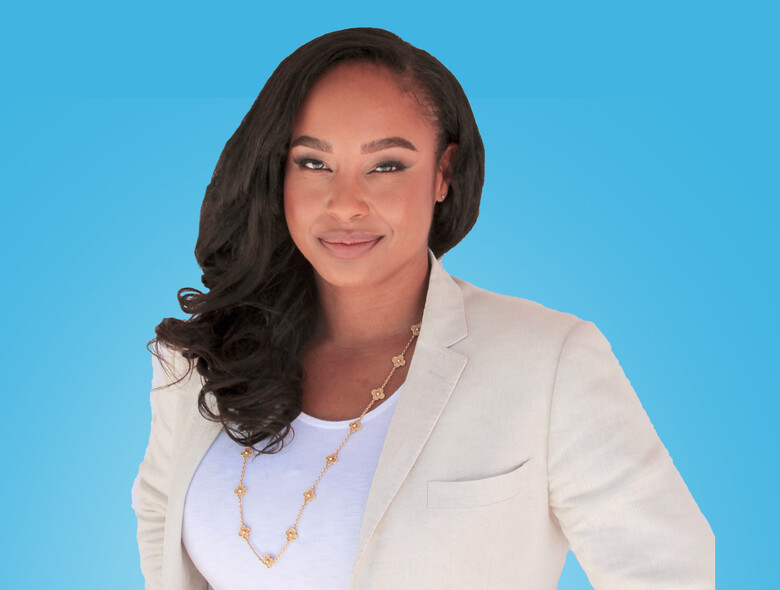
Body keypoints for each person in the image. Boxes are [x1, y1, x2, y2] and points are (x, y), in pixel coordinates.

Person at [132, 27, 714, 590]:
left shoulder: (548, 361)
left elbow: (665, 571)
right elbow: (161, 519)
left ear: (443, 173)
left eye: (386, 165)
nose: (345, 204)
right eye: (313, 162)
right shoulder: (203, 359)